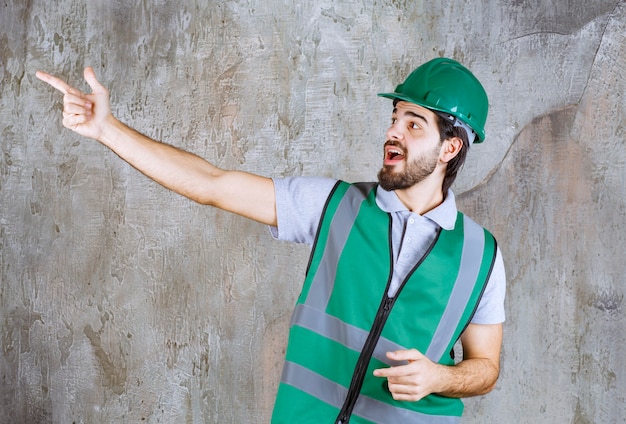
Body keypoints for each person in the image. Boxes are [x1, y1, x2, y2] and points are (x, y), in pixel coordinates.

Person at [36, 57, 505, 423]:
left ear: (450, 147)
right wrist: (107, 130)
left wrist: (439, 377)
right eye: (395, 116)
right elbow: (212, 184)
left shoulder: (481, 258)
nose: (391, 131)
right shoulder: (333, 206)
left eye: (413, 123)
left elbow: (485, 367)